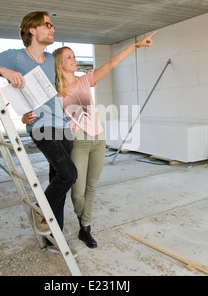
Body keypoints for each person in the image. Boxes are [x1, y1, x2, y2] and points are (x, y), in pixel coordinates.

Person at [23, 31, 157, 248]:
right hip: (77, 142)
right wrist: (24, 117)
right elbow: (33, 109)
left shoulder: (85, 81)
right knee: (77, 190)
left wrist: (136, 46)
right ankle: (73, 218)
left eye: (74, 56)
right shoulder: (54, 91)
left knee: (92, 187)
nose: (74, 59)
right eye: (68, 57)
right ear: (59, 62)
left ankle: (85, 228)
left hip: (98, 140)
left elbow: (112, 62)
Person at [0, 11, 77, 255]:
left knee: (58, 183)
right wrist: (3, 70)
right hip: (41, 126)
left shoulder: (50, 60)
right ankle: (40, 211)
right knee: (69, 174)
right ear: (32, 30)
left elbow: (65, 82)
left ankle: (53, 238)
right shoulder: (15, 57)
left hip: (64, 127)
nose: (52, 28)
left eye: (52, 24)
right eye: (47, 24)